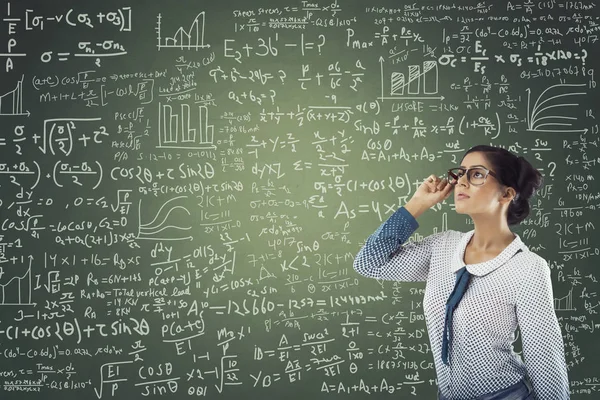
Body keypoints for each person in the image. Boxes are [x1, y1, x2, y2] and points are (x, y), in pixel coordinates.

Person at [353, 145, 570, 400]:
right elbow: (369, 262)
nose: (461, 182)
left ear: (507, 193)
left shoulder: (527, 267)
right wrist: (417, 204)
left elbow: (545, 358)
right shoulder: (443, 247)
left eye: (476, 174)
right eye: (461, 173)